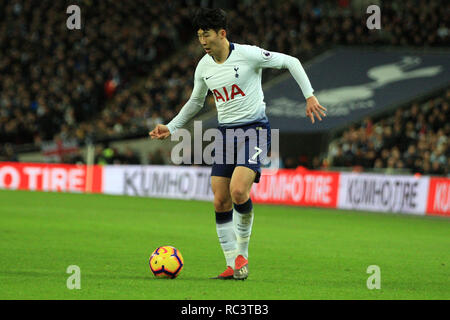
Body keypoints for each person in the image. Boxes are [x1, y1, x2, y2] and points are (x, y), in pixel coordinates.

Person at [149, 8, 326, 280]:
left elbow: (291, 61)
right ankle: (233, 264)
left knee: (238, 192)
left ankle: (243, 254)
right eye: (199, 37)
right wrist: (171, 127)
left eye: (206, 35)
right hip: (225, 135)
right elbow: (196, 102)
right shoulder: (204, 67)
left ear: (222, 33)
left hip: (254, 131)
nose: (203, 42)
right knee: (220, 200)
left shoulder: (248, 55)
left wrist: (310, 96)